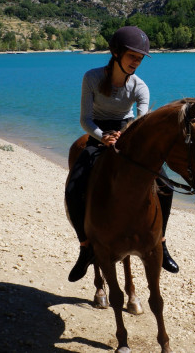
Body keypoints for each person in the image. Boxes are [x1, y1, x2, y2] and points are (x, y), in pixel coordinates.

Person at [65, 26, 179, 282]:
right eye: (133, 56)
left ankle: (162, 241)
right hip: (98, 132)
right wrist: (102, 136)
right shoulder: (92, 78)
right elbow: (84, 118)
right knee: (74, 186)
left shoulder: (140, 87)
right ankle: (85, 247)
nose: (136, 62)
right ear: (116, 53)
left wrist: (124, 136)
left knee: (166, 186)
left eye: (140, 58)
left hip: (129, 132)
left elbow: (142, 121)